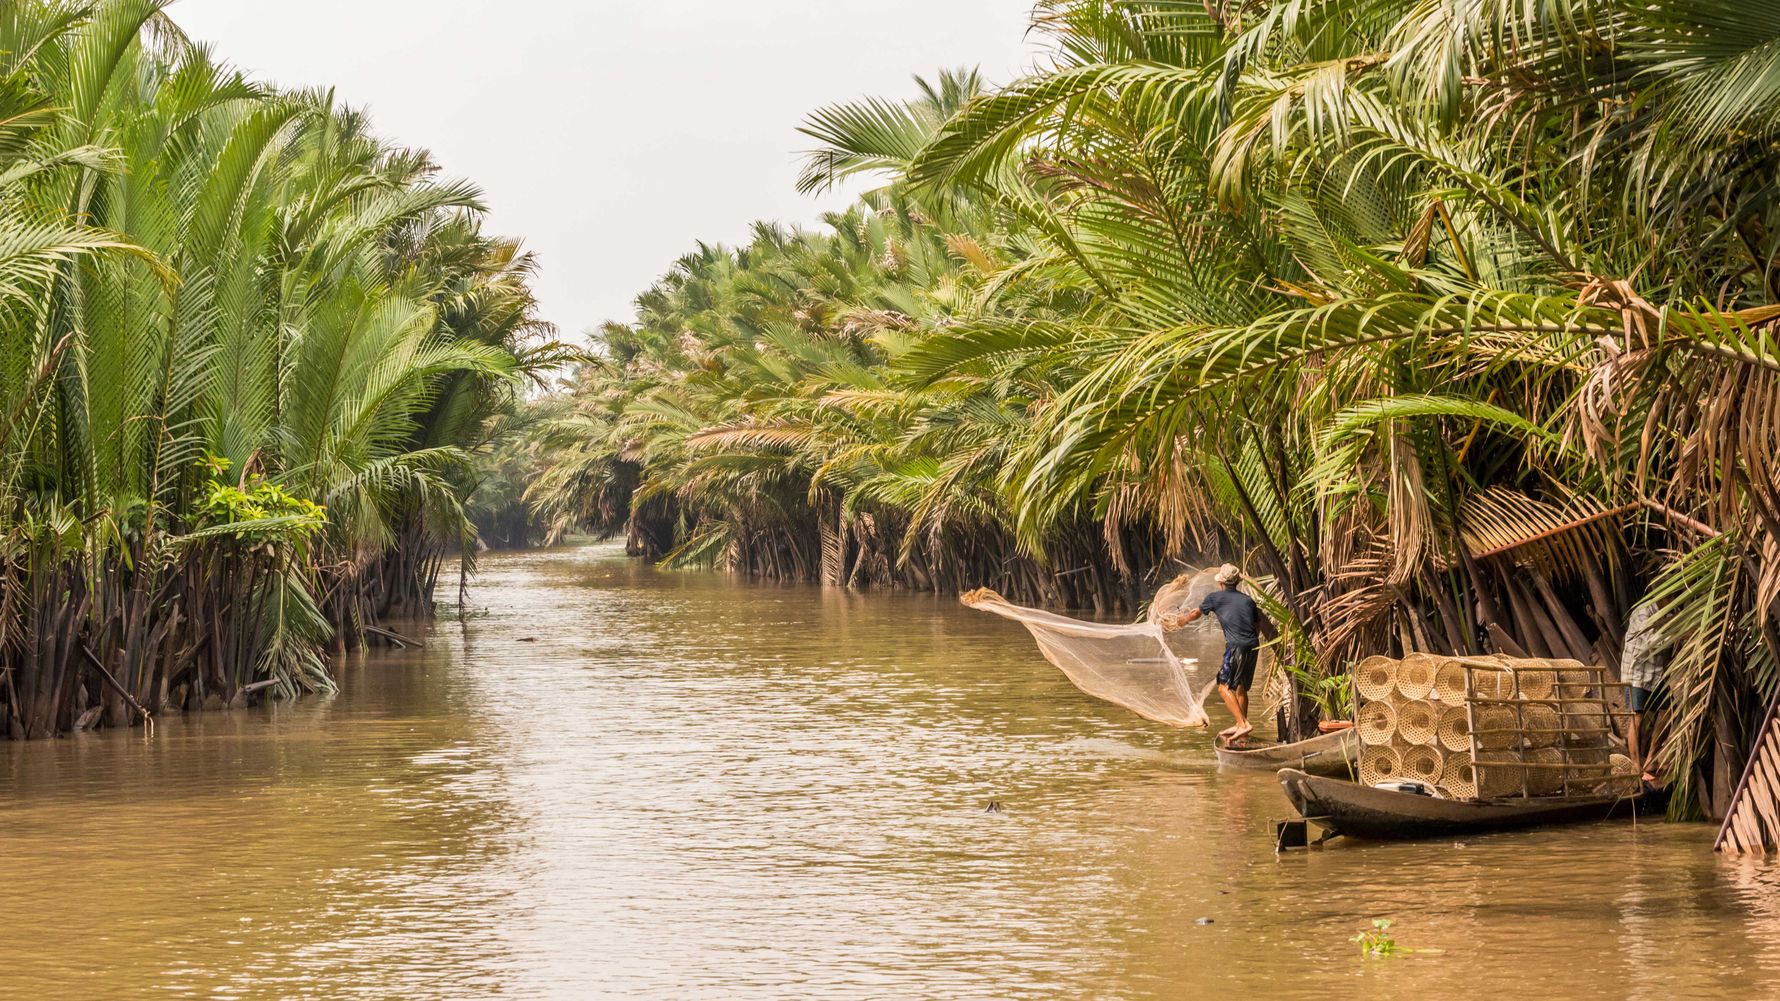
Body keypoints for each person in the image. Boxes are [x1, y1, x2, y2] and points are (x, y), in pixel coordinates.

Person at [1164, 563, 1265, 745]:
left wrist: (1182, 621)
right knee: (1240, 687)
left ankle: (1242, 724)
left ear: (1221, 583)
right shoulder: (1248, 600)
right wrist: (1247, 642)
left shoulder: (1215, 598)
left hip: (1236, 647)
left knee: (1223, 686)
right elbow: (1257, 626)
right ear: (1236, 582)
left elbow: (1195, 613)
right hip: (1252, 645)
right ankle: (1242, 731)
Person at [1620, 600, 1667, 784]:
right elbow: (1649, 643)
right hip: (1636, 674)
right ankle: (1635, 767)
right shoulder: (1643, 611)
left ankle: (1650, 760)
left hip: (1655, 675)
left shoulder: (1666, 612)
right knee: (1636, 718)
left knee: (1667, 711)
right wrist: (1678, 633)